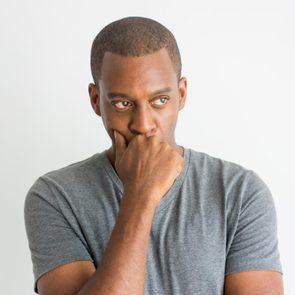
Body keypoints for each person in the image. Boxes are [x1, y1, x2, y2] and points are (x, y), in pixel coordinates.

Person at [24, 16, 283, 295]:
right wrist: (140, 195)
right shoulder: (55, 197)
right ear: (96, 100)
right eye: (123, 103)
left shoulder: (240, 193)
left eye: (160, 100)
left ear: (181, 94)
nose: (144, 124)